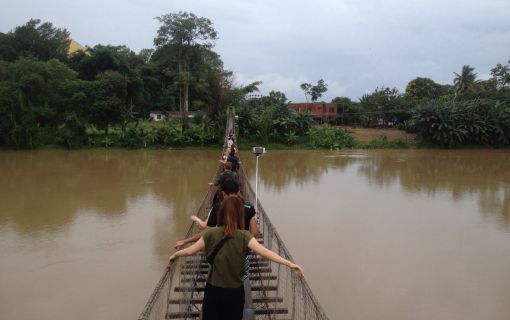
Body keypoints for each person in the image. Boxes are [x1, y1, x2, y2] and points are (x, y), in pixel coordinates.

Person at [169, 197, 304, 320]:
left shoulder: (210, 233)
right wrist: (290, 264)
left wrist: (175, 255)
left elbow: (190, 251)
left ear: (220, 213)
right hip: (235, 293)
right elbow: (265, 253)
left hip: (213, 291)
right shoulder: (245, 236)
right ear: (240, 214)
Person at [175, 178, 257, 248]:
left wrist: (185, 241)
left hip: (220, 251)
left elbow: (207, 233)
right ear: (238, 192)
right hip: (240, 251)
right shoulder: (249, 208)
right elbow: (254, 232)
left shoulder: (218, 207)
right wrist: (246, 247)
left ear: (223, 193)